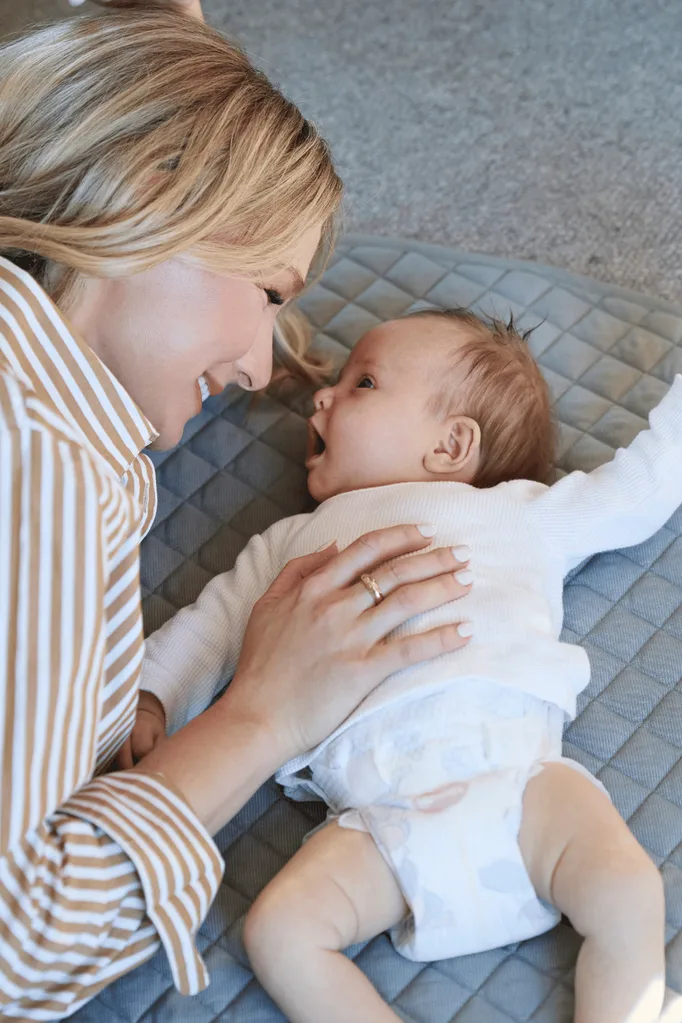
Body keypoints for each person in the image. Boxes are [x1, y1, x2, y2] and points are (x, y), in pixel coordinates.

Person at [0, 6, 474, 1018]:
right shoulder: (44, 453)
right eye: (267, 291)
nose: (263, 367)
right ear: (149, 190)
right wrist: (266, 710)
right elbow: (17, 944)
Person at [136, 309, 668, 1023]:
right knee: (279, 930)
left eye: (364, 382)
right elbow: (213, 626)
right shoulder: (290, 541)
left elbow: (636, 491)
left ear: (451, 445)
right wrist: (153, 694)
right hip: (378, 817)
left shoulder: (523, 513)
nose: (321, 398)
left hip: (518, 782)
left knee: (629, 889)